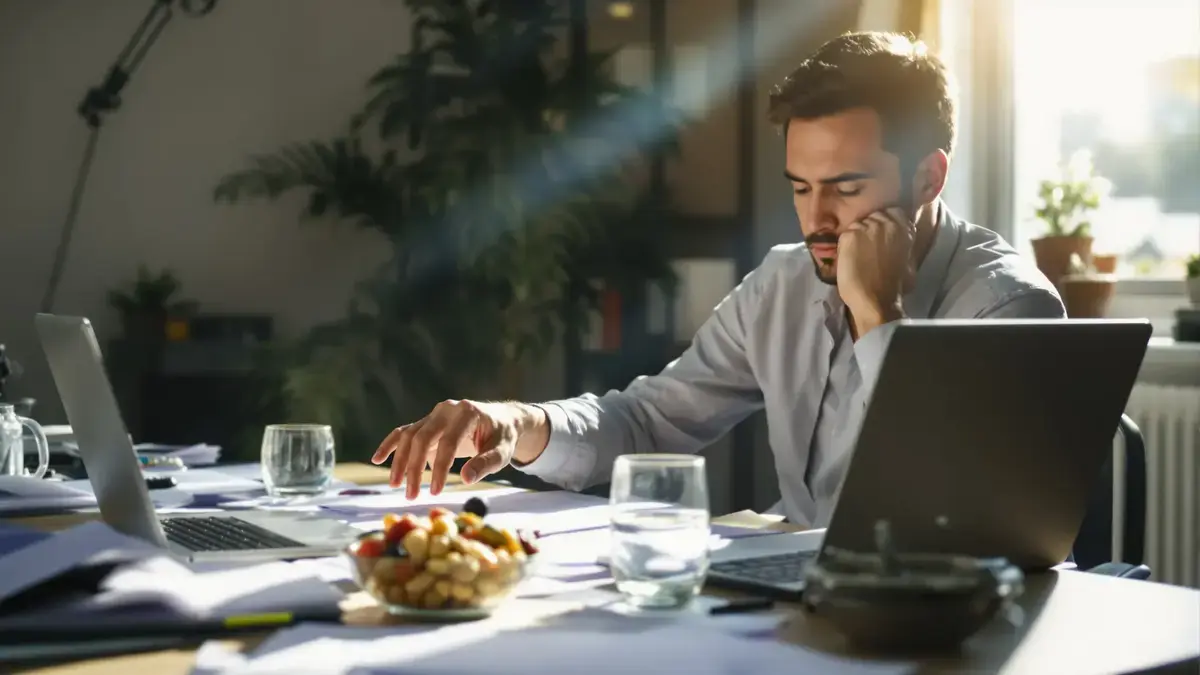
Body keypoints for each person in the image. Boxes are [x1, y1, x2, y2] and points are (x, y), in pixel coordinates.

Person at [371, 31, 1065, 528]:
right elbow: (648, 421)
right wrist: (520, 421)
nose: (817, 219)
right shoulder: (783, 287)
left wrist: (879, 315)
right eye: (801, 187)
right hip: (805, 612)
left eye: (847, 187)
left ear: (928, 175)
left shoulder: (1009, 305)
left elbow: (958, 517)